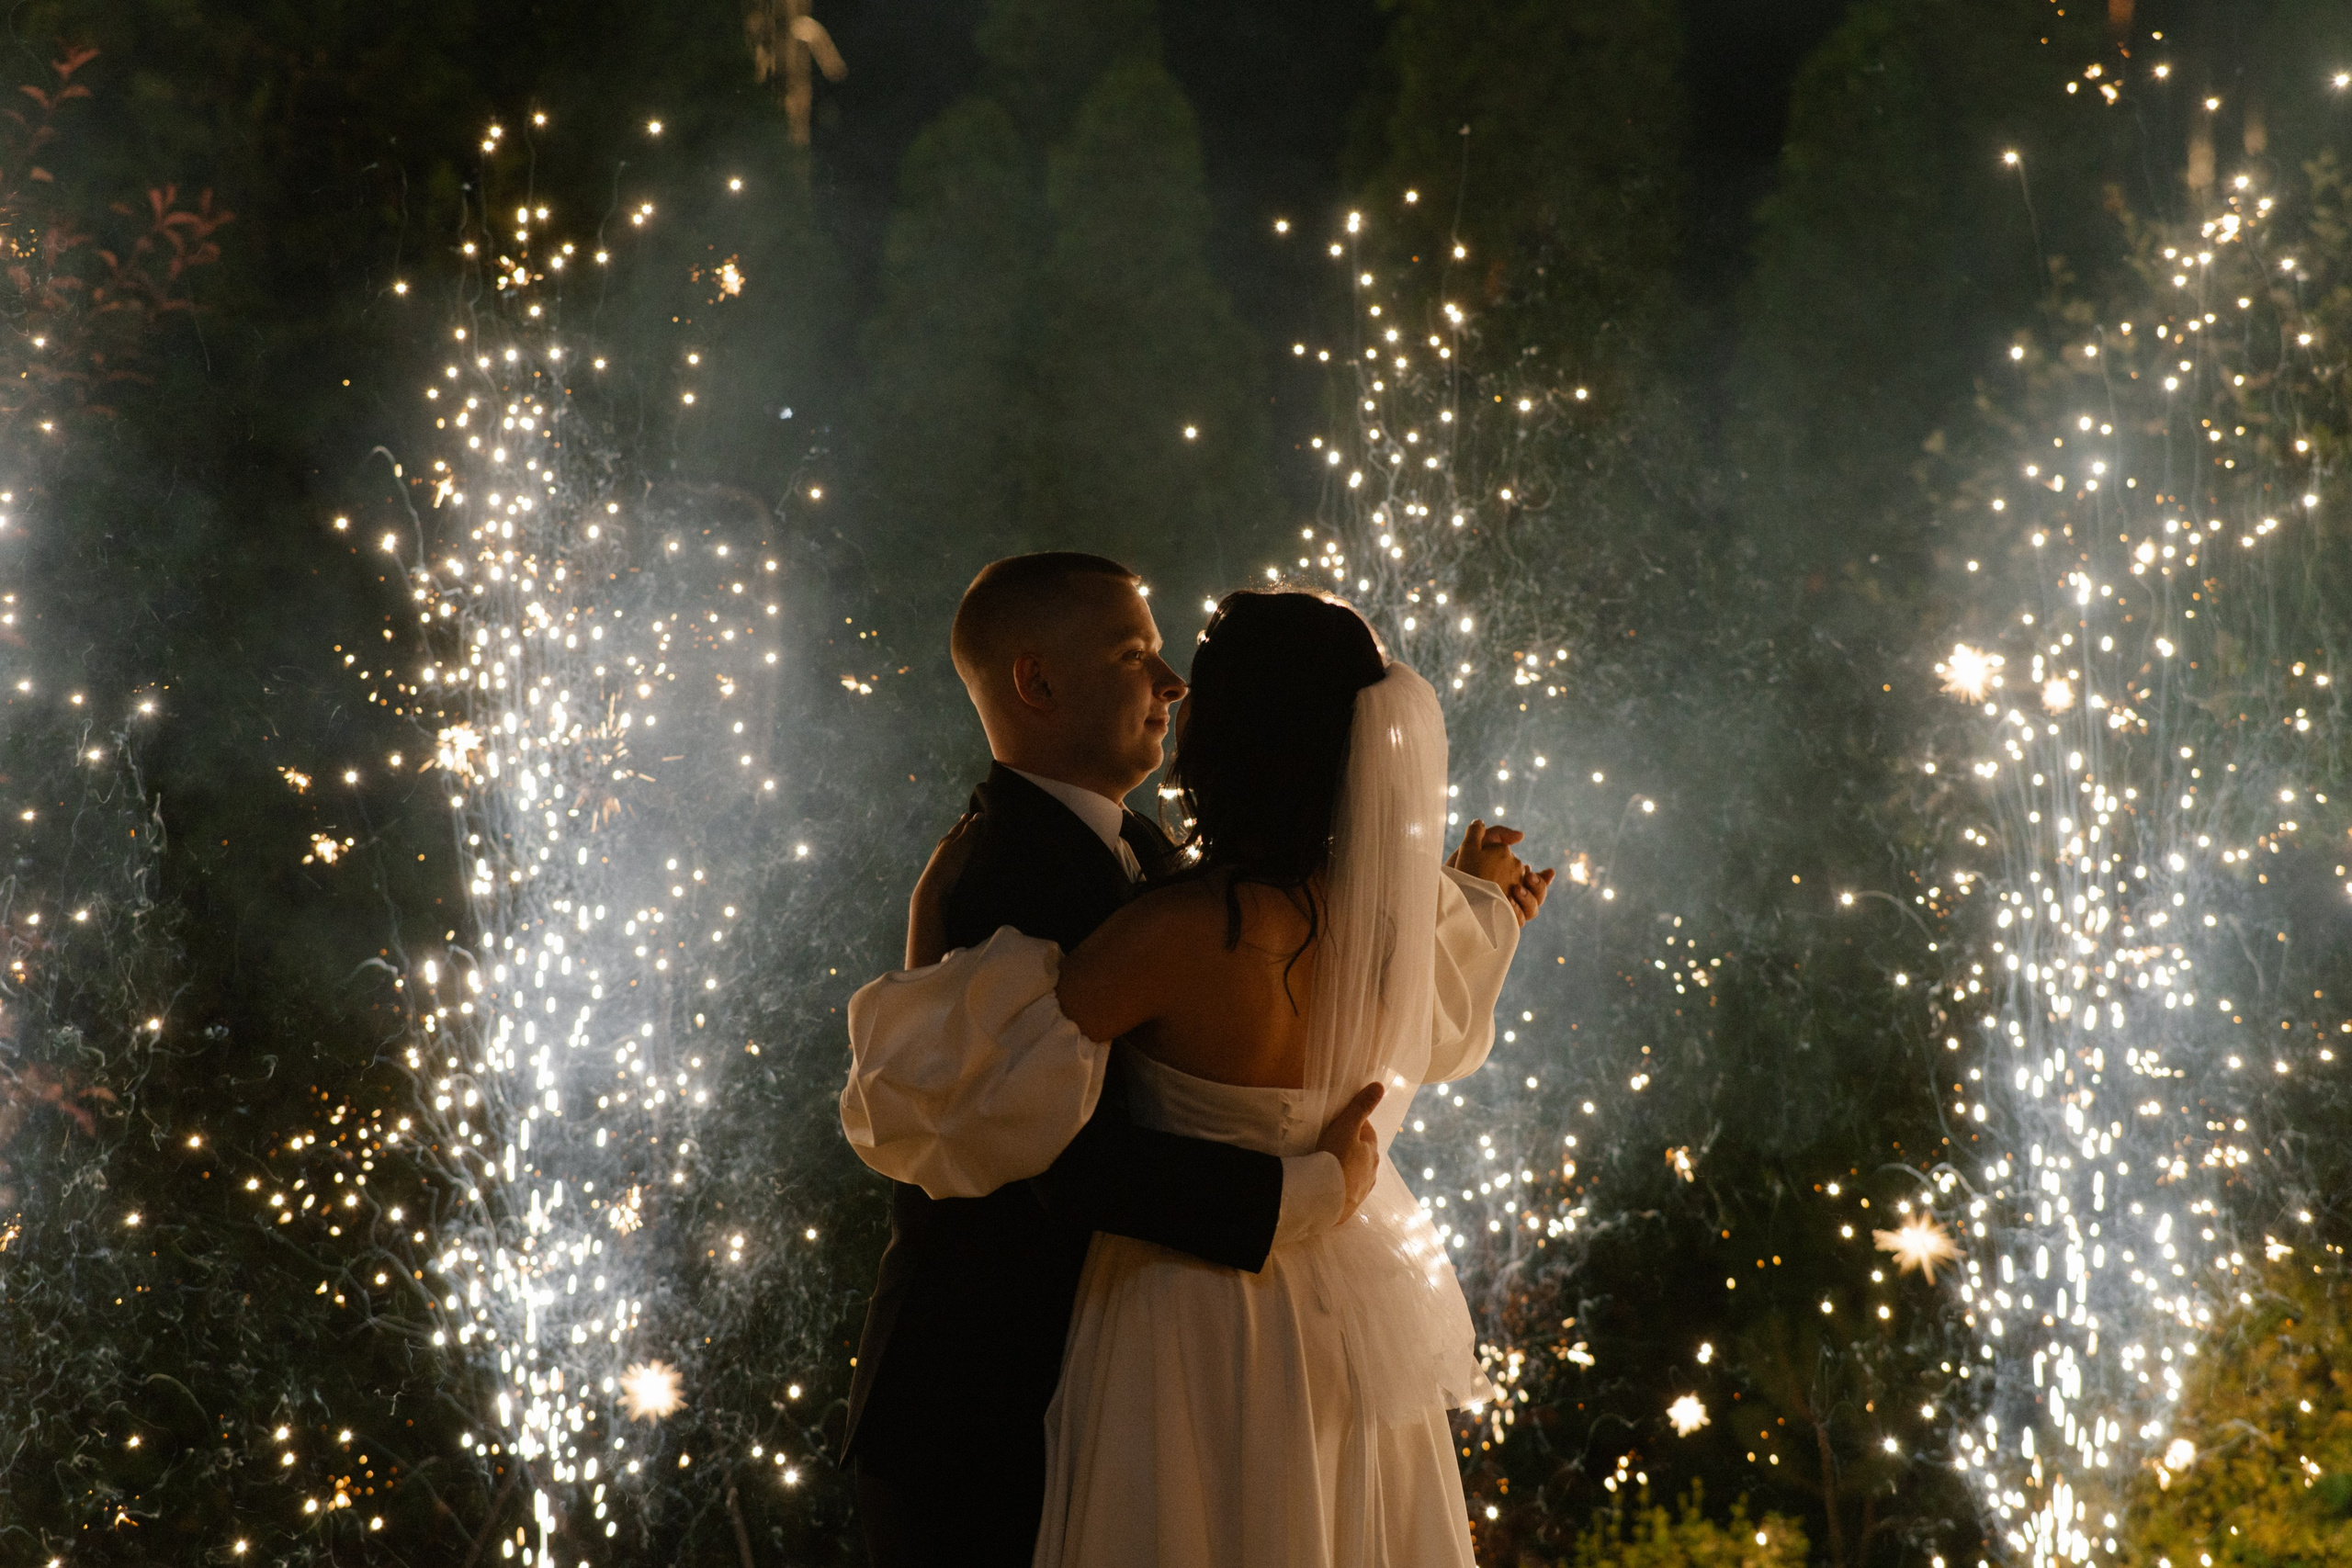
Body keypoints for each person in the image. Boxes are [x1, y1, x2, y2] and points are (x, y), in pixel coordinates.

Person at [842, 581, 1552, 1567]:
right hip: (1285, 1321)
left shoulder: (1169, 918)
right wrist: (1473, 898)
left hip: (1184, 1320)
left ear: (1231, 738)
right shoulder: (1371, 927)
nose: (1170, 687)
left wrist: (921, 937)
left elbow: (944, 1092)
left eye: (1187, 675)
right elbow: (1062, 1161)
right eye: (1137, 655)